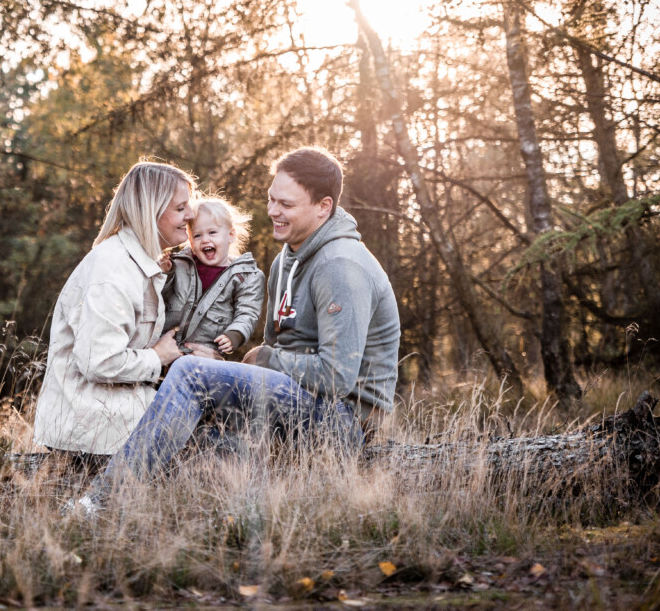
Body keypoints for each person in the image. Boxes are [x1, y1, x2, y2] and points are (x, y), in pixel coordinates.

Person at [69, 146, 400, 510]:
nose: (273, 211)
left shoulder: (340, 266)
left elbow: (337, 378)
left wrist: (263, 358)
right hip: (300, 401)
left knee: (193, 374)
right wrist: (227, 364)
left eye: (286, 205)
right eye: (272, 199)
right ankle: (168, 508)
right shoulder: (285, 261)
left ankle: (98, 504)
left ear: (323, 206)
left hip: (345, 421)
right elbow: (275, 359)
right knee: (198, 419)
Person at [32, 161, 218, 460]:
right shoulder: (113, 271)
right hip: (94, 431)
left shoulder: (144, 264)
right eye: (181, 207)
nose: (191, 215)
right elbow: (99, 361)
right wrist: (158, 357)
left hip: (118, 415)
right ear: (150, 210)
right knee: (219, 449)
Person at [160, 197, 265, 358]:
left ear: (230, 235)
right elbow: (162, 297)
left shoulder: (245, 276)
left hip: (205, 352)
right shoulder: (180, 265)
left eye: (212, 232)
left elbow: (247, 312)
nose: (205, 240)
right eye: (197, 236)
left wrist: (235, 333)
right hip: (168, 347)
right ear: (190, 241)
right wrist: (166, 274)